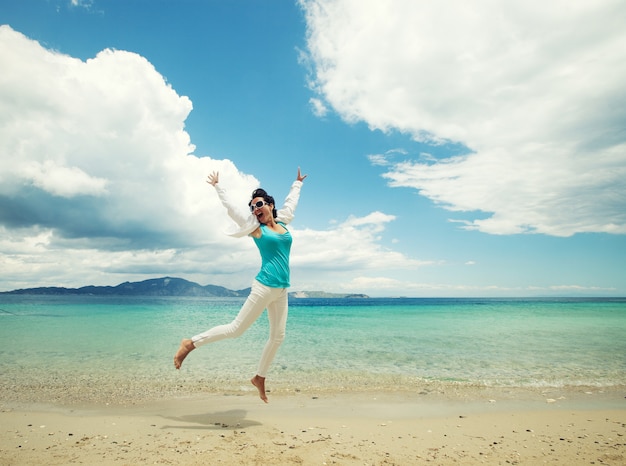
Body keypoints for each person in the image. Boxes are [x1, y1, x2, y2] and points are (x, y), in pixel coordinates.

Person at [174, 167, 307, 403]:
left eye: (259, 204)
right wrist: (218, 187)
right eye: (253, 207)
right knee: (236, 330)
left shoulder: (284, 223)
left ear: (270, 205)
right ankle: (190, 343)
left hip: (282, 290)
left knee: (278, 337)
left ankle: (259, 377)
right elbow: (232, 210)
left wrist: (297, 184)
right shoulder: (257, 229)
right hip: (264, 287)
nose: (256, 210)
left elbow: (291, 204)